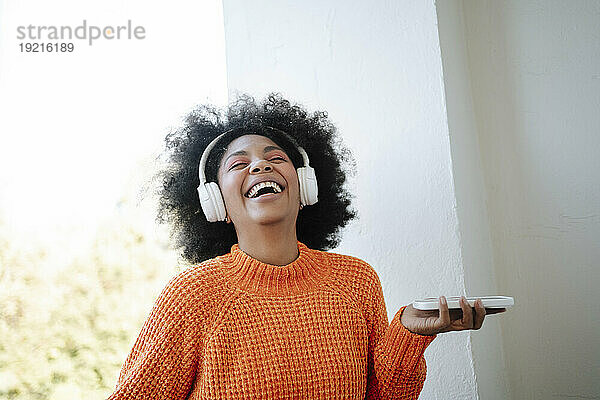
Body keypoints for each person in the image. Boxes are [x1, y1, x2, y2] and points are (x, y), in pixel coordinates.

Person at [108, 94, 501, 399]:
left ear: (306, 189)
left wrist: (409, 332)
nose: (259, 167)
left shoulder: (355, 280)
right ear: (216, 204)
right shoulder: (192, 295)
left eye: (274, 158)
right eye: (238, 164)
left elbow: (386, 395)